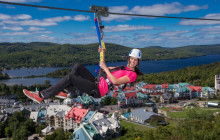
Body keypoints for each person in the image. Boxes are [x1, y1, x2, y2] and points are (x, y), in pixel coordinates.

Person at [23, 47, 142, 104]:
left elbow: (115, 81)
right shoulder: (123, 67)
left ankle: (42, 95)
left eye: (135, 60)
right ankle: (71, 91)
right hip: (96, 81)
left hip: (98, 90)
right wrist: (103, 53)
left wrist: (105, 67)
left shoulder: (132, 75)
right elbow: (103, 67)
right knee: (78, 66)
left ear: (138, 62)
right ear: (129, 58)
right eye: (132, 59)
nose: (133, 61)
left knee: (70, 78)